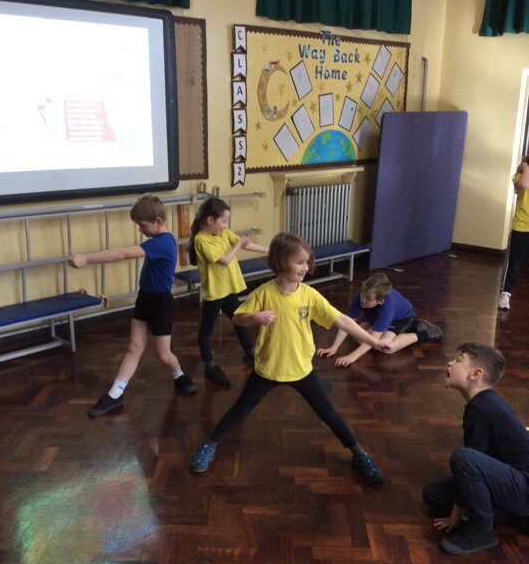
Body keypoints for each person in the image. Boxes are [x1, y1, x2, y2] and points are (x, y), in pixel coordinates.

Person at [189, 232, 392, 482]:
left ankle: (360, 454)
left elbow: (342, 320)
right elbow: (238, 318)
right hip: (268, 369)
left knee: (329, 413)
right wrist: (255, 317)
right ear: (281, 261)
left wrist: (374, 341)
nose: (305, 267)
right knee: (240, 409)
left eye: (307, 262)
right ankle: (209, 446)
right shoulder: (264, 293)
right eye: (299, 262)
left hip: (301, 369)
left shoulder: (309, 295)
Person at [69, 193, 196, 417]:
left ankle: (179, 374)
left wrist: (87, 259)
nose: (140, 229)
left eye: (143, 225)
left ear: (158, 221)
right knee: (134, 347)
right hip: (145, 298)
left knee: (164, 355)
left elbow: (122, 254)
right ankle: (115, 394)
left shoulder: (163, 243)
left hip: (161, 304)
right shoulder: (156, 241)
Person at [422, 342, 529, 556]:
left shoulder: (482, 409)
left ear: (476, 374)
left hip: (524, 487)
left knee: (463, 458)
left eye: (458, 360)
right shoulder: (485, 403)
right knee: (433, 495)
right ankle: (511, 515)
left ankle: (483, 531)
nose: (450, 363)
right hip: (513, 479)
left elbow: (470, 462)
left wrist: (455, 514)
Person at [189, 196, 269, 386]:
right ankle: (210, 366)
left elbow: (245, 244)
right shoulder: (201, 240)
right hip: (215, 293)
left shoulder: (223, 233)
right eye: (224, 221)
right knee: (205, 332)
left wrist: (270, 250)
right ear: (210, 220)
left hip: (229, 289)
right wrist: (239, 244)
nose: (226, 226)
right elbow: (225, 259)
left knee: (239, 319)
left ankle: (250, 354)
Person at [317, 272, 443, 366]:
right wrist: (334, 348)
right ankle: (380, 328)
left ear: (380, 301)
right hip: (377, 317)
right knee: (357, 335)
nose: (363, 300)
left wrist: (352, 357)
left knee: (386, 348)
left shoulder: (388, 306)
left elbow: (374, 340)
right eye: (363, 295)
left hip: (402, 319)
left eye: (368, 299)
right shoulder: (363, 295)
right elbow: (347, 322)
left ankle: (424, 333)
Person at [499, 155, 529, 310]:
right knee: (514, 264)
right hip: (522, 225)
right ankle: (505, 294)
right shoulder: (521, 174)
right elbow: (524, 185)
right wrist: (526, 167)